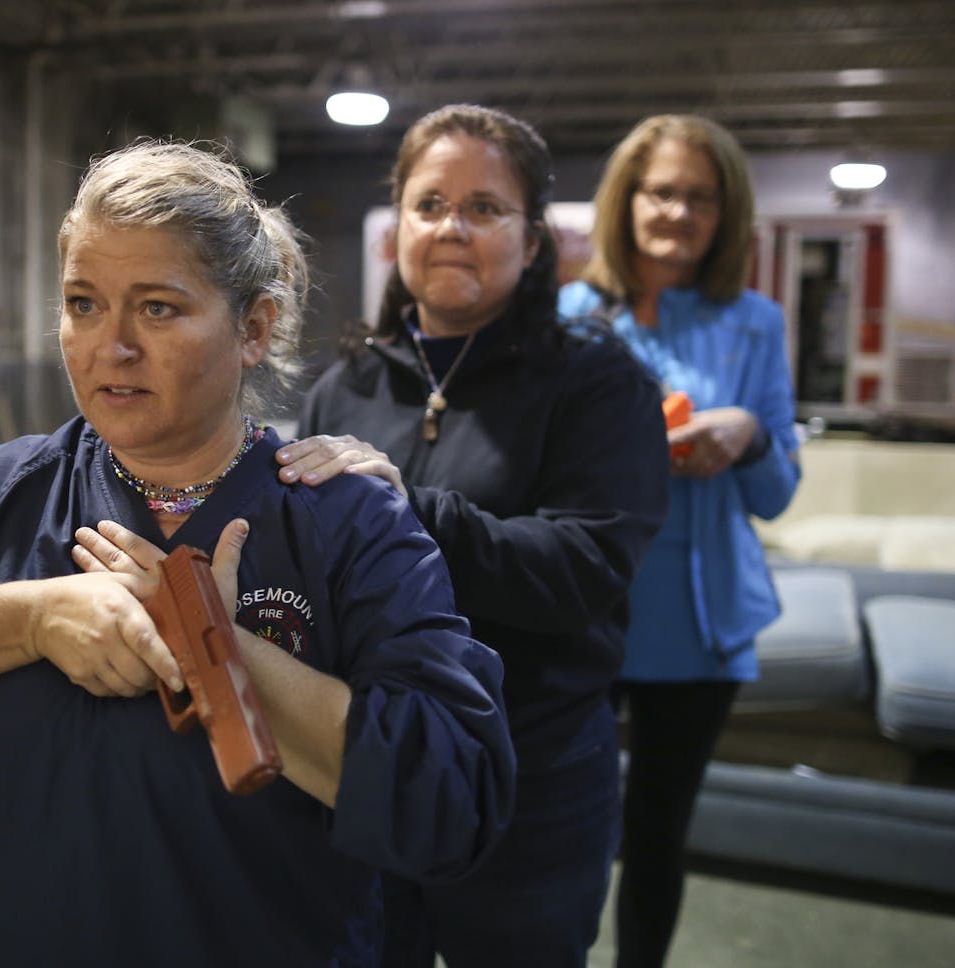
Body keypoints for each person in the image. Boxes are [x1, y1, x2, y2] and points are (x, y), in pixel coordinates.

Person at [0, 140, 517, 967]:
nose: (112, 346)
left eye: (158, 308)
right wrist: (24, 618)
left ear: (254, 327)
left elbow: (456, 802)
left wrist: (216, 647)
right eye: (83, 303)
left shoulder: (344, 519)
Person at [275, 104, 670, 967]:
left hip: (536, 776)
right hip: (369, 763)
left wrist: (405, 506)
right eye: (429, 204)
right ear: (397, 231)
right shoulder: (343, 390)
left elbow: (583, 569)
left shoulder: (599, 384)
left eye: (485, 207)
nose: (452, 226)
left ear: (534, 242)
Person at [559, 114, 801, 968]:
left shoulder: (757, 323)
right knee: (565, 827)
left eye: (702, 197)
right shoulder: (572, 314)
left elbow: (777, 496)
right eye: (663, 191)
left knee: (661, 833)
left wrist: (750, 435)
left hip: (699, 626)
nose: (679, 212)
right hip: (589, 611)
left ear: (726, 213)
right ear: (628, 201)